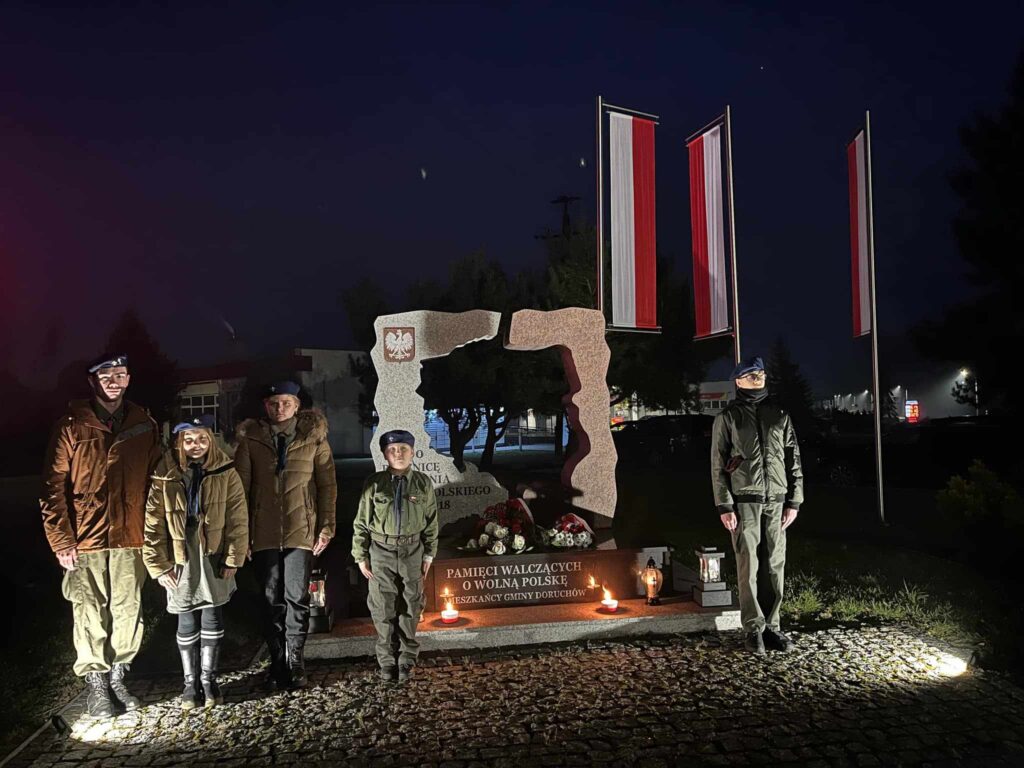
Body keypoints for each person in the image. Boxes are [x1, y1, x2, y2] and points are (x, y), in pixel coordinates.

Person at [40, 354, 161, 717]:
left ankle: (119, 676)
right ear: (92, 381)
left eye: (120, 375)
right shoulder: (72, 425)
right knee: (89, 609)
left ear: (128, 379)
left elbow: (158, 482)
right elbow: (52, 486)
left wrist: (158, 534)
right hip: (86, 536)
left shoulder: (144, 424)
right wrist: (61, 540)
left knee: (128, 608)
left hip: (132, 534)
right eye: (106, 375)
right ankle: (96, 683)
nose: (113, 381)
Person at [234, 381, 337, 689]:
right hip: (262, 531)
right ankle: (277, 660)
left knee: (297, 596)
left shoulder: (314, 438)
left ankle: (295, 660)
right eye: (274, 403)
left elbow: (327, 485)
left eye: (286, 403)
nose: (280, 408)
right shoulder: (251, 440)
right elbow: (240, 491)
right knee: (270, 599)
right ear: (266, 406)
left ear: (297, 405)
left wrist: (326, 526)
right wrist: (242, 535)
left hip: (301, 530)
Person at [143, 414, 248, 710]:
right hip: (180, 554)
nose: (196, 445)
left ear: (211, 440)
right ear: (179, 443)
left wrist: (233, 557)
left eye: (202, 439)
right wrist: (159, 565)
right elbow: (153, 523)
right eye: (188, 440)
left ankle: (208, 678)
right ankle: (190, 682)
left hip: (213, 551)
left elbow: (238, 518)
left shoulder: (226, 471)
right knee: (185, 613)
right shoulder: (165, 475)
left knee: (212, 612)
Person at [711, 356, 804, 655]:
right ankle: (753, 629)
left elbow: (793, 459)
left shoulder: (779, 415)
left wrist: (795, 500)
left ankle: (772, 626)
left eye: (761, 373)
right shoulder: (728, 417)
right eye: (751, 375)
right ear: (738, 381)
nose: (758, 378)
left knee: (775, 564)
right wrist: (725, 505)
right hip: (744, 500)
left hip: (777, 500)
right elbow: (717, 463)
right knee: (748, 564)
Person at [352, 429, 438, 683]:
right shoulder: (375, 483)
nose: (398, 454)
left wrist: (429, 554)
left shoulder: (422, 483)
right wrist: (360, 555)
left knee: (412, 604)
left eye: (403, 449)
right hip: (381, 550)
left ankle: (407, 658)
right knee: (382, 605)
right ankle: (387, 660)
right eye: (392, 450)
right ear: (384, 454)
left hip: (412, 551)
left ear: (412, 453)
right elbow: (361, 522)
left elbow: (431, 521)